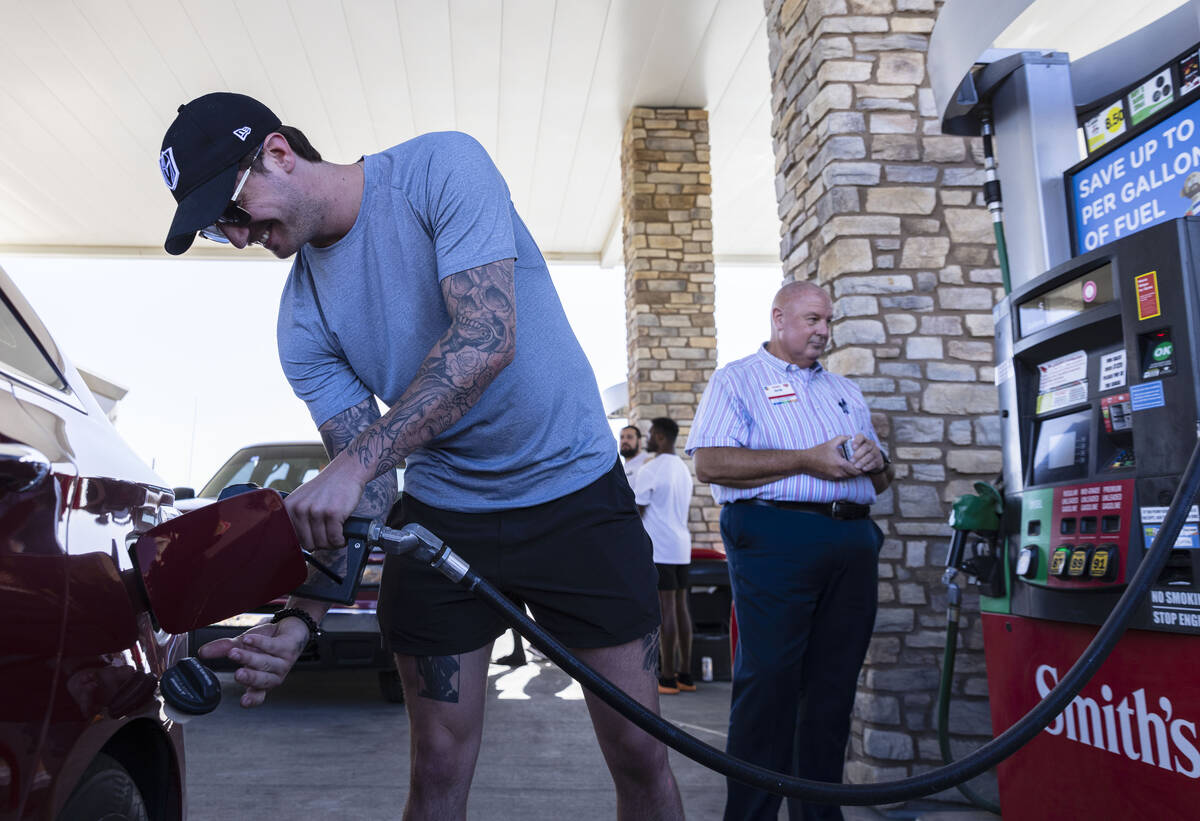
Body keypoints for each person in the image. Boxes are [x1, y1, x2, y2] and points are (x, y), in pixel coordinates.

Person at [157, 92, 683, 819]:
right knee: (435, 771)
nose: (240, 237)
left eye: (233, 211)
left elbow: (486, 338)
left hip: (575, 497)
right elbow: (366, 496)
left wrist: (357, 462)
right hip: (445, 520)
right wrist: (303, 617)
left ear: (277, 153)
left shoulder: (441, 168)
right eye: (220, 230)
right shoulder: (302, 322)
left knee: (638, 755)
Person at [687, 280, 893, 821]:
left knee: (832, 689)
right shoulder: (739, 380)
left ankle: (818, 815)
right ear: (778, 319)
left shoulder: (844, 389)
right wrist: (807, 459)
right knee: (771, 683)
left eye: (828, 322)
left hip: (851, 538)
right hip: (776, 536)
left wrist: (876, 461)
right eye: (812, 320)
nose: (823, 331)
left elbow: (884, 479)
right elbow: (709, 463)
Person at [632, 417, 696, 696]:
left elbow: (636, 512)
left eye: (649, 435)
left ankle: (667, 677)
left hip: (660, 549)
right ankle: (686, 675)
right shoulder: (683, 469)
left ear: (659, 436)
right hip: (682, 548)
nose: (646, 439)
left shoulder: (651, 470)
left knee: (666, 609)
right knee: (682, 609)